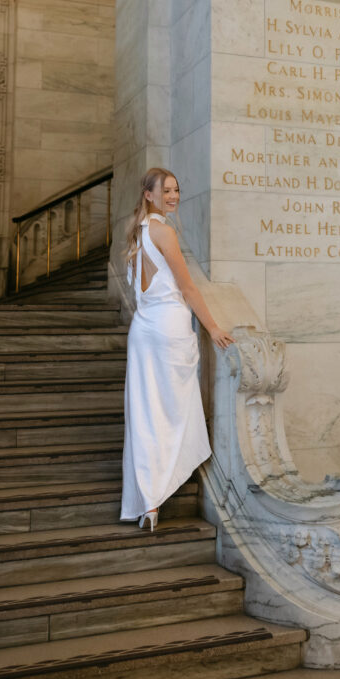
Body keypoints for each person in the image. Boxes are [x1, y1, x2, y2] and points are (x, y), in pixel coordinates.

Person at [120, 167, 234, 531]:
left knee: (145, 412)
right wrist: (213, 326)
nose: (174, 196)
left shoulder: (135, 234)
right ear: (149, 195)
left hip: (142, 331)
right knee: (170, 412)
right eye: (166, 190)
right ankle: (156, 492)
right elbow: (187, 289)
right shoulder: (163, 232)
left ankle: (147, 502)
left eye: (177, 189)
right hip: (167, 330)